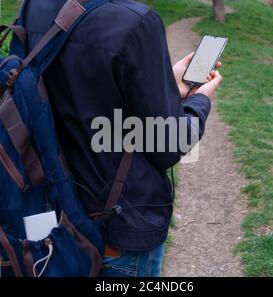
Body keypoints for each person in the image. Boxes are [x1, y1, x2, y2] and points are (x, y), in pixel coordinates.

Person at [24, 0, 222, 277]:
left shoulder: (35, 6)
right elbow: (169, 144)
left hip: (55, 210)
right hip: (118, 222)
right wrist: (199, 102)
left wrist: (163, 82)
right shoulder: (137, 22)